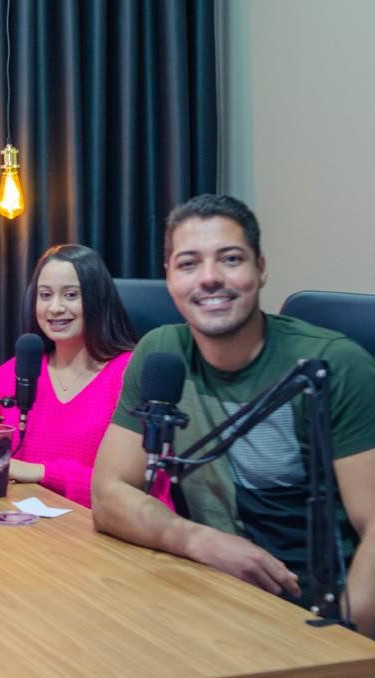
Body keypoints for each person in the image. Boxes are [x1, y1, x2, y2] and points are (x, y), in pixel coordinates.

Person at [91, 194, 375, 637]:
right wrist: (198, 540)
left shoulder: (333, 365)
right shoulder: (161, 353)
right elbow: (109, 493)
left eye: (230, 259)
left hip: (314, 619)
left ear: (260, 268)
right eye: (188, 264)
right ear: (169, 277)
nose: (209, 278)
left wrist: (340, 647)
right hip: (213, 599)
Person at [0, 244, 168, 509]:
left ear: (97, 300)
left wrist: (40, 473)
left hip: (102, 527)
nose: (55, 308)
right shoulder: (23, 368)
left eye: (71, 295)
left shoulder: (129, 374)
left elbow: (140, 487)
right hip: (26, 525)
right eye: (45, 295)